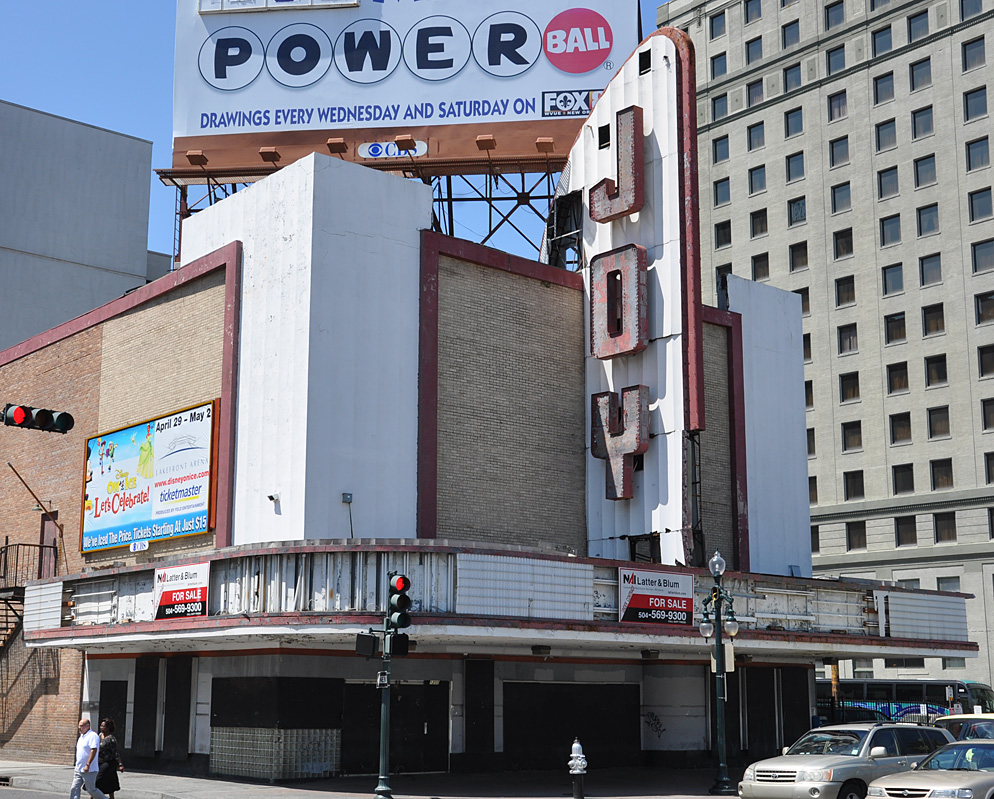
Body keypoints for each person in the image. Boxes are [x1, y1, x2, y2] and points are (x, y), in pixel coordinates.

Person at [69, 718, 108, 799]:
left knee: (91, 790)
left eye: (81, 726)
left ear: (88, 726)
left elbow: (93, 750)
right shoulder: (81, 736)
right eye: (79, 726)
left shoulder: (92, 736)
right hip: (79, 768)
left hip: (89, 769)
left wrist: (88, 764)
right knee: (74, 788)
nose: (79, 728)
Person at [95, 718, 124, 799]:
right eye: (100, 725)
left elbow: (116, 752)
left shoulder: (111, 739)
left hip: (109, 763)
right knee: (110, 782)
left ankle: (94, 796)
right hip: (99, 762)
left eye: (103, 726)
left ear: (108, 728)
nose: (101, 727)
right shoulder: (99, 735)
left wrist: (120, 764)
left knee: (97, 780)